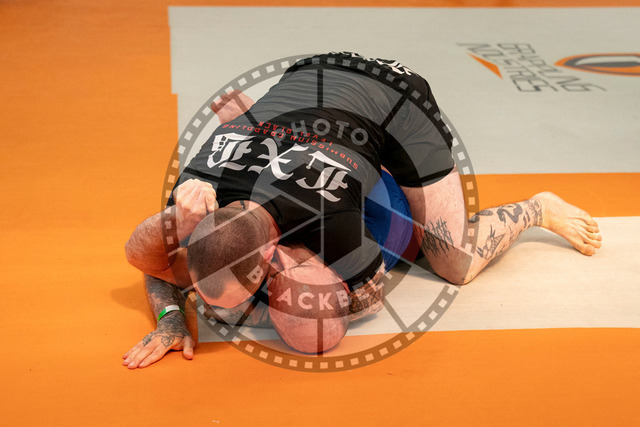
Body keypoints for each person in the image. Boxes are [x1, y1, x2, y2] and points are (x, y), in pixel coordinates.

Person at [122, 52, 602, 369]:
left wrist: (271, 298)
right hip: (311, 78)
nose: (224, 313)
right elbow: (159, 263)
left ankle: (537, 209)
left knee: (454, 262)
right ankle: (282, 131)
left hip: (398, 100)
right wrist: (171, 313)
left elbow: (354, 310)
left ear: (271, 254)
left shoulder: (331, 219)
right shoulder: (196, 192)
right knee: (322, 171)